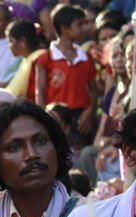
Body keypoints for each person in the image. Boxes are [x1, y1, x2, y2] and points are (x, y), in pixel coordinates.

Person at [34, 5, 99, 140]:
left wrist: (90, 111)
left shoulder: (86, 57)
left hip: (81, 119)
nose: (84, 28)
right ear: (64, 28)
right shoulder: (45, 58)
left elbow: (94, 89)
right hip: (56, 117)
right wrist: (45, 118)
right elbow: (40, 90)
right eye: (79, 25)